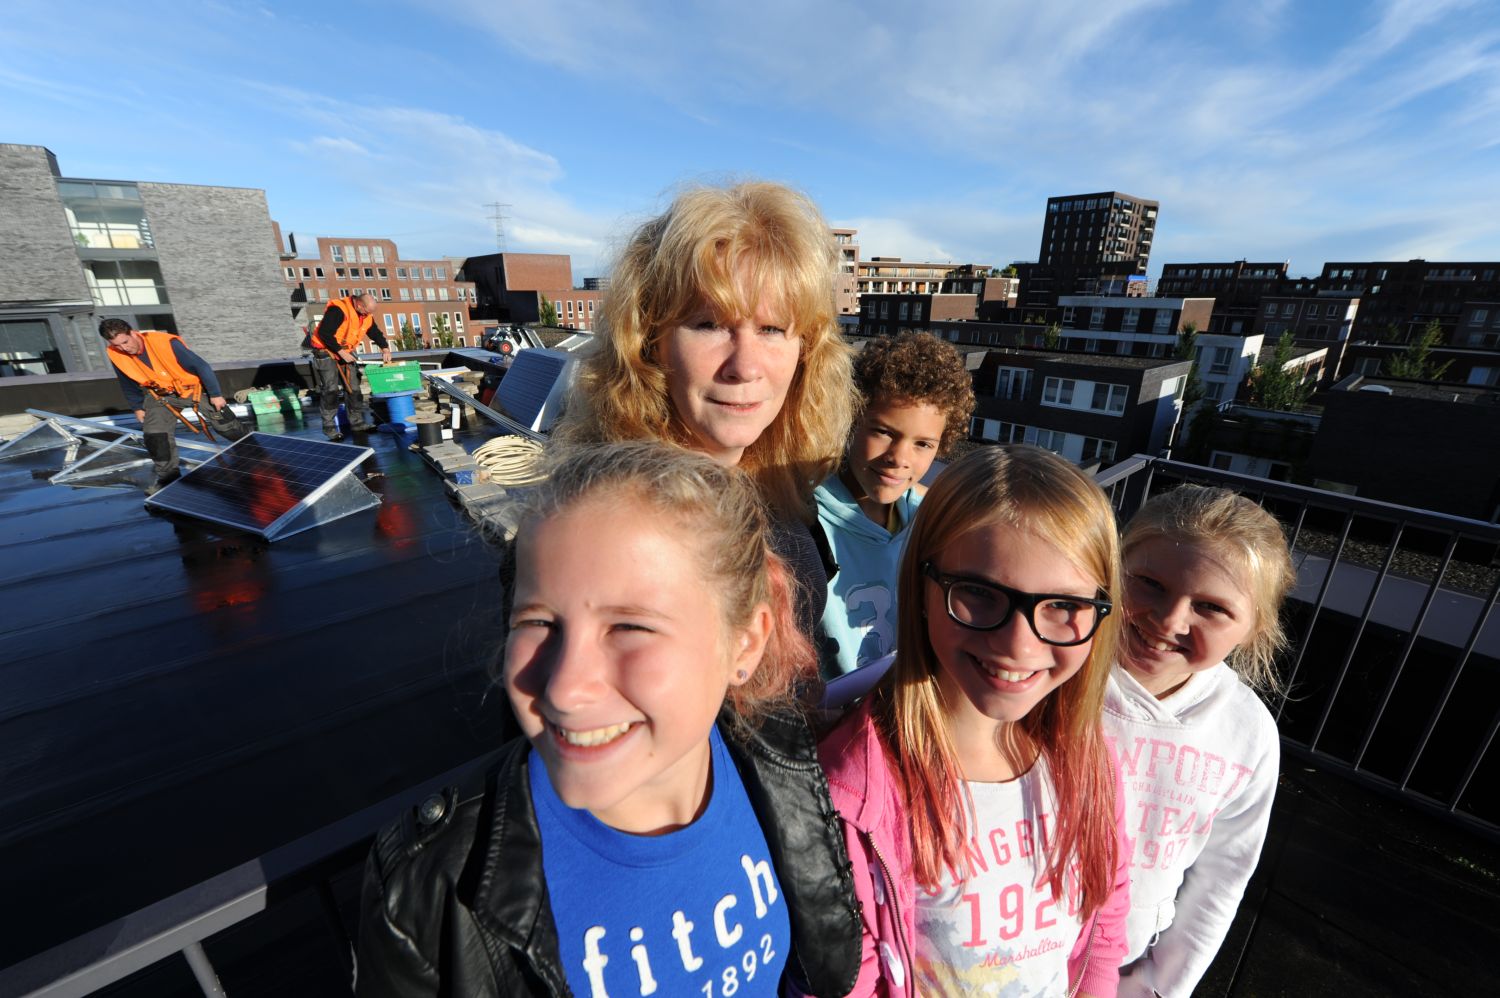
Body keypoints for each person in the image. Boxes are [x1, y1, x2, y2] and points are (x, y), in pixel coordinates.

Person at [355, 441, 862, 998]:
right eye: (540, 623)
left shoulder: (777, 762)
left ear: (745, 644)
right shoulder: (432, 885)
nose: (565, 689)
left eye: (629, 628)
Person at [819, 445, 1131, 997]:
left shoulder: (1086, 757)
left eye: (1063, 606)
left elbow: (1103, 922)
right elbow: (851, 977)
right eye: (979, 594)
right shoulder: (858, 791)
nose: (1018, 643)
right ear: (920, 587)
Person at [554, 180, 855, 631]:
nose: (745, 366)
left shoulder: (780, 488)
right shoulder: (597, 534)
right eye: (710, 324)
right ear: (649, 341)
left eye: (772, 329)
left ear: (806, 350)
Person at [1105, 486, 1295, 997]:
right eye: (1148, 583)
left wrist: (1161, 987)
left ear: (1254, 629)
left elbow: (1222, 877)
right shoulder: (1049, 671)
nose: (1169, 620)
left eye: (1210, 607)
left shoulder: (1247, 732)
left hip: (1124, 970)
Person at [815, 331, 974, 676]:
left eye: (923, 444)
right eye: (884, 432)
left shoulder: (922, 519)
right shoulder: (804, 522)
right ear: (852, 419)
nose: (899, 458)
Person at [99, 318, 247, 494]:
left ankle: (255, 450)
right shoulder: (116, 354)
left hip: (194, 389)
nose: (124, 348)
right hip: (161, 395)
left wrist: (215, 395)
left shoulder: (165, 343)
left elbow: (201, 366)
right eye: (117, 345)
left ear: (133, 333)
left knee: (225, 424)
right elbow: (126, 382)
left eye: (125, 342)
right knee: (155, 435)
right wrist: (137, 407)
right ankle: (168, 478)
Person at [303, 292, 393, 440]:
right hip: (326, 351)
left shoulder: (365, 315)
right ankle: (329, 427)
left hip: (345, 351)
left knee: (354, 389)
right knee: (330, 390)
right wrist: (340, 351)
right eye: (366, 311)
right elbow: (324, 333)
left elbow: (373, 331)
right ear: (359, 305)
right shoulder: (338, 309)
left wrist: (384, 347)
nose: (368, 314)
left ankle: (357, 423)